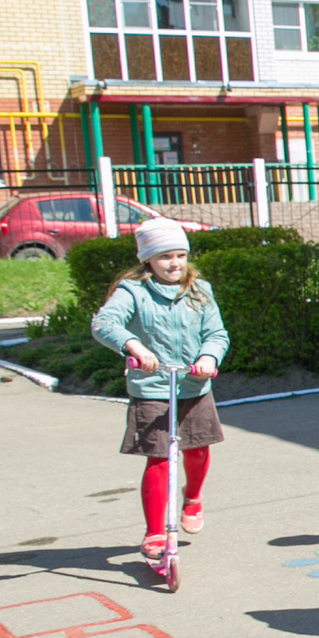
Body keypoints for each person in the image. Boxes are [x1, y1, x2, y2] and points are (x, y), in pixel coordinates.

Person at [92, 216, 228, 561]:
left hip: (193, 384)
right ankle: (154, 530)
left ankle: (193, 496)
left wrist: (209, 357)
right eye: (165, 257)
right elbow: (104, 323)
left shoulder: (199, 290)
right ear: (148, 260)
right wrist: (134, 346)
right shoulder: (132, 291)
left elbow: (216, 333)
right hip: (151, 387)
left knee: (196, 449)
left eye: (180, 255)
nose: (175, 264)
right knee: (159, 457)